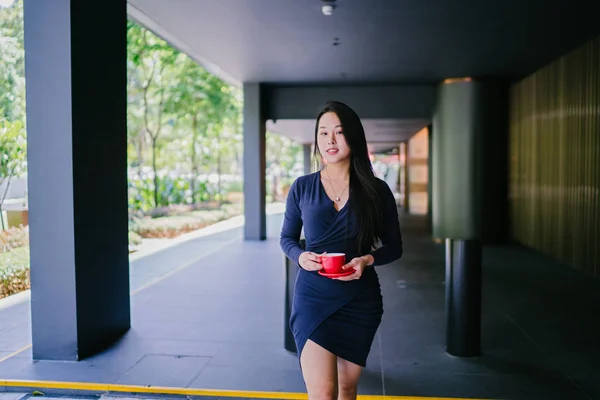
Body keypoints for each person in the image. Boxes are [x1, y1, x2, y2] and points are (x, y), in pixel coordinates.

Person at [280, 101, 403, 400]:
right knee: (323, 392)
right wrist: (300, 256)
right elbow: (287, 239)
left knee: (347, 389)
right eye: (323, 133)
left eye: (338, 132)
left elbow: (395, 247)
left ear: (354, 137)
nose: (330, 141)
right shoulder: (301, 187)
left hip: (359, 299)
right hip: (313, 298)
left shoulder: (377, 190)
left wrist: (367, 259)